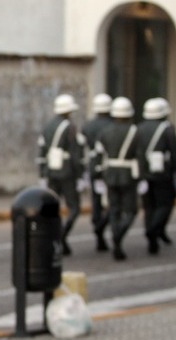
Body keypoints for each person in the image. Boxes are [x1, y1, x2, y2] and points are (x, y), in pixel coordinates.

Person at [37, 93, 86, 255]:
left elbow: (41, 152)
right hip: (67, 173)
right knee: (74, 208)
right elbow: (75, 153)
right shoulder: (70, 127)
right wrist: (81, 175)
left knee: (53, 207)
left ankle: (51, 237)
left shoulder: (48, 126)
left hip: (51, 172)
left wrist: (42, 174)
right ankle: (61, 236)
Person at [136, 97, 176, 254]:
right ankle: (154, 229)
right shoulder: (167, 129)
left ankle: (152, 235)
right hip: (162, 173)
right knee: (165, 204)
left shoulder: (139, 128)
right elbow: (175, 153)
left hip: (144, 172)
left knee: (149, 206)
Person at [95, 97, 139, 261]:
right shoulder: (135, 131)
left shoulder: (105, 131)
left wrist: (98, 174)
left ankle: (115, 236)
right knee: (130, 210)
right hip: (128, 174)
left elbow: (99, 155)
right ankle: (119, 235)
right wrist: (142, 178)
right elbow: (140, 156)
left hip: (110, 173)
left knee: (113, 209)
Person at [81, 93, 113, 252]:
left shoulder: (88, 126)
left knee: (96, 200)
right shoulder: (113, 125)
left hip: (93, 166)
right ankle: (102, 226)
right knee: (114, 201)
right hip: (110, 166)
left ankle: (97, 223)